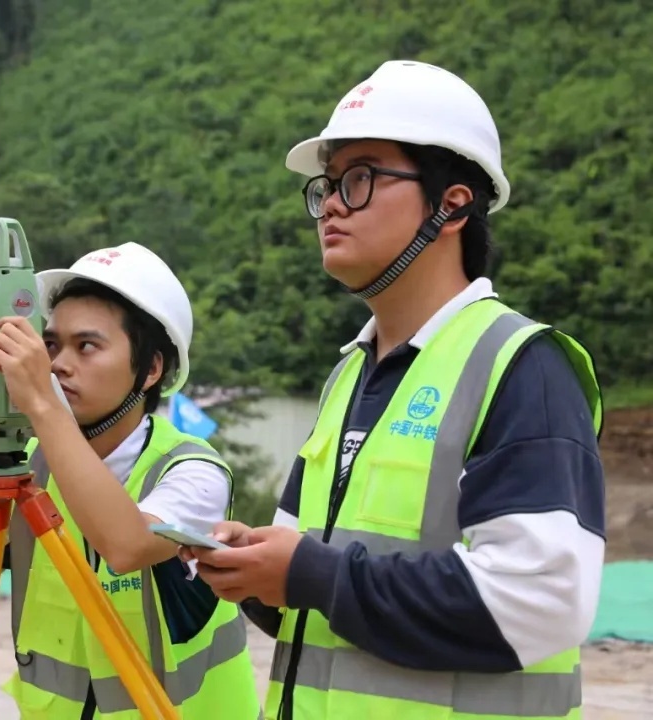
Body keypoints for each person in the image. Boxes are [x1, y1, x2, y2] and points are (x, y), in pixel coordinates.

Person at [182, 59, 606, 720]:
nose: (329, 203)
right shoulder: (350, 373)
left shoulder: (522, 368)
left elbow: (540, 603)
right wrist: (252, 571)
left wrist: (309, 574)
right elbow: (316, 596)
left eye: (360, 179)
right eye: (327, 184)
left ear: (453, 204)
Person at [0, 242, 261, 718]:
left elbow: (126, 546)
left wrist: (43, 405)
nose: (58, 364)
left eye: (86, 346)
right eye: (51, 345)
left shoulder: (193, 471)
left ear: (150, 369)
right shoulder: (28, 463)